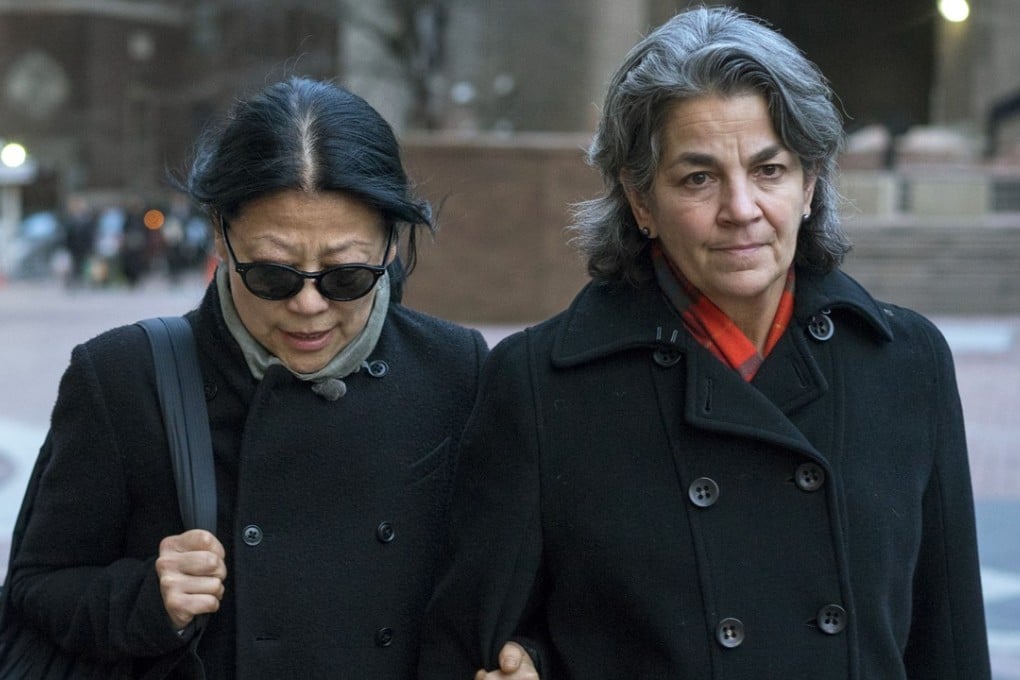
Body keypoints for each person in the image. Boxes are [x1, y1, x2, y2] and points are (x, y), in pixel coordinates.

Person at [419, 7, 991, 679]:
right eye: (699, 178)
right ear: (640, 201)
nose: (740, 209)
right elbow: (477, 646)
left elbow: (950, 645)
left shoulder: (905, 360)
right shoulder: (541, 386)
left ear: (810, 184)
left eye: (769, 170)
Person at [4, 77, 498, 678]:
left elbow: (500, 579)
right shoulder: (124, 378)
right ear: (220, 234)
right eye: (273, 275)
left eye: (346, 276)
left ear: (390, 245)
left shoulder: (453, 368)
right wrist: (145, 600)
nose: (309, 305)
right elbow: (37, 586)